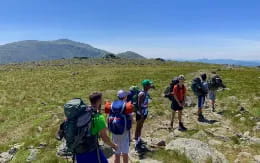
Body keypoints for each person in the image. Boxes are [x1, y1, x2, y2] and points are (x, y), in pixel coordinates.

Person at [76, 92, 118, 163]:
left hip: (78, 151)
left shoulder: (83, 114)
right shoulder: (98, 117)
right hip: (92, 151)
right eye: (101, 99)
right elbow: (104, 138)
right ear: (99, 101)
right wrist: (114, 145)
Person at [105, 90, 134, 163]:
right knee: (125, 153)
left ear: (118, 97)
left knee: (117, 153)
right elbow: (131, 119)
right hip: (124, 132)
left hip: (114, 132)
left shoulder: (113, 106)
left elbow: (108, 118)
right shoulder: (126, 106)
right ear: (125, 97)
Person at [134, 80, 154, 150]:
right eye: (149, 85)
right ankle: (136, 142)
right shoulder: (141, 94)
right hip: (141, 113)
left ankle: (139, 139)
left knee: (141, 126)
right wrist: (142, 114)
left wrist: (152, 87)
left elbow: (150, 86)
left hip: (144, 112)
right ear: (146, 86)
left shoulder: (145, 91)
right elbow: (139, 105)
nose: (150, 86)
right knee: (138, 127)